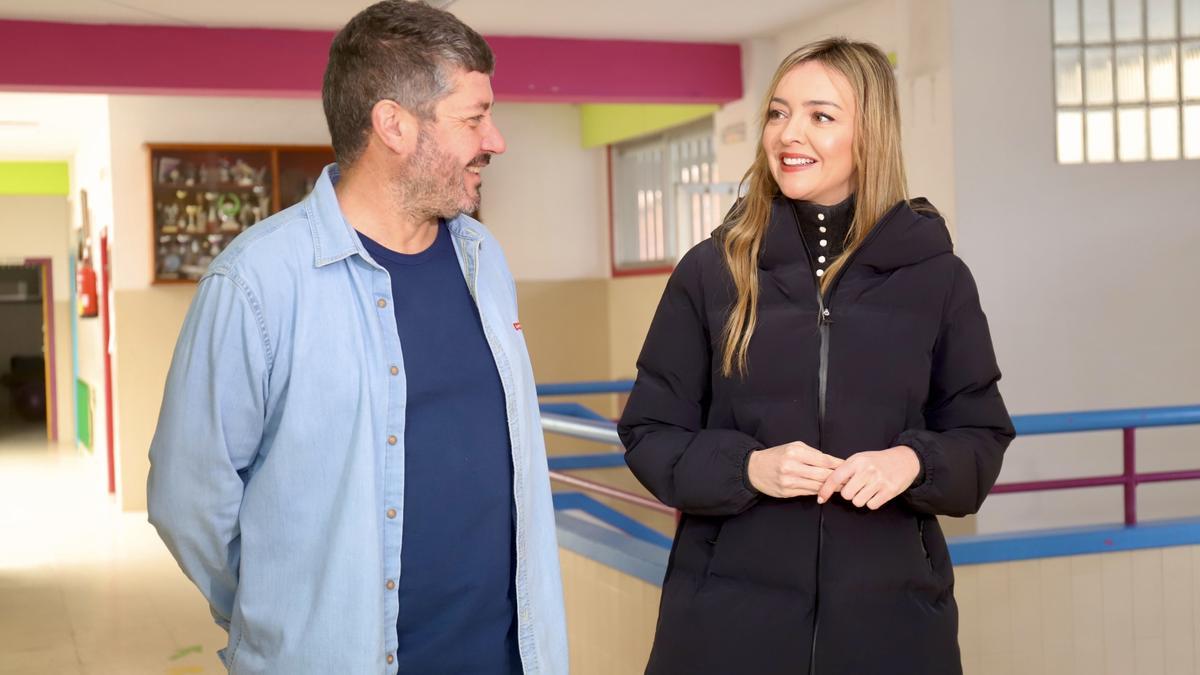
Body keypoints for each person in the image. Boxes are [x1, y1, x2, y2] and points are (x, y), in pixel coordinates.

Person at [147, 2, 567, 672]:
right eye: (474, 117)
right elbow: (188, 500)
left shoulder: (483, 258)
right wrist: (286, 613)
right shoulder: (256, 283)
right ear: (393, 124)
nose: (495, 139)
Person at [618, 37, 1014, 675]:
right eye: (778, 112)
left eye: (820, 116)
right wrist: (748, 469)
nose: (787, 134)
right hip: (726, 632)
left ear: (870, 133)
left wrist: (914, 461)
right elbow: (648, 433)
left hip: (893, 632)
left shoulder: (939, 279)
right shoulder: (710, 272)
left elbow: (980, 436)